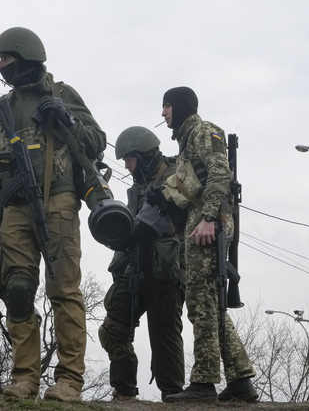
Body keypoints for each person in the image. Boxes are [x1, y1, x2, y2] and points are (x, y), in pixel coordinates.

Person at [0, 27, 106, 401]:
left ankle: (69, 380)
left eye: (7, 59)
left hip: (59, 202)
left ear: (26, 57)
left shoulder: (62, 94)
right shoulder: (1, 107)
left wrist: (66, 118)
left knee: (63, 290)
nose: (1, 66)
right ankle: (25, 378)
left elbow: (97, 141)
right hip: (13, 207)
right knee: (17, 290)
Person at [158, 87, 258, 403]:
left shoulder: (204, 130)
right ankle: (240, 381)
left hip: (207, 221)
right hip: (200, 219)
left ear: (182, 107)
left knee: (201, 302)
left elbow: (220, 172)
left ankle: (203, 383)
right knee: (208, 304)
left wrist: (210, 217)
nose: (163, 113)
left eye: (167, 106)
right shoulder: (188, 140)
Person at [98, 126, 185, 402]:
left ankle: (172, 394)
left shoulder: (173, 174)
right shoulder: (137, 186)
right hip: (136, 265)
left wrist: (124, 232)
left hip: (166, 267)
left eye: (129, 160)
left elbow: (147, 224)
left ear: (143, 154)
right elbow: (131, 226)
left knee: (164, 332)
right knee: (112, 327)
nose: (127, 166)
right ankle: (124, 391)